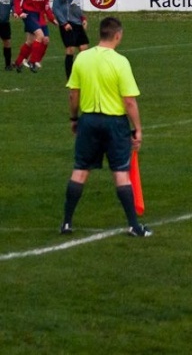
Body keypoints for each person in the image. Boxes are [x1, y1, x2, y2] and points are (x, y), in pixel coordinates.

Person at [61, 16, 151, 237]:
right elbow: (129, 101)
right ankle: (134, 225)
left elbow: (73, 94)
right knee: (121, 173)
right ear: (117, 35)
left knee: (80, 170)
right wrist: (137, 128)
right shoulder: (120, 62)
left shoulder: (82, 58)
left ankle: (66, 223)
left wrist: (74, 119)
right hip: (114, 123)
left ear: (100, 34)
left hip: (89, 120)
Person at [12, 0, 54, 72]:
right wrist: (19, 12)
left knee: (34, 41)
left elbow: (46, 4)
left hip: (39, 15)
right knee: (40, 36)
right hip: (29, 14)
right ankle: (32, 62)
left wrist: (51, 18)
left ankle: (18, 62)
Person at [52, 0, 89, 79]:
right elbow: (56, 8)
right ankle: (70, 77)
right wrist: (64, 23)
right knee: (70, 49)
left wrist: (83, 18)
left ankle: (81, 74)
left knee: (84, 48)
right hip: (68, 24)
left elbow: (77, 7)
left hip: (78, 23)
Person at [0, 0, 16, 70]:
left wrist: (15, 11)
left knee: (7, 42)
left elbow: (14, 3)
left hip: (5, 22)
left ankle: (8, 65)